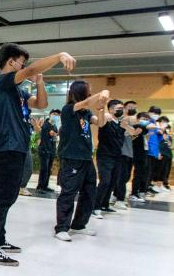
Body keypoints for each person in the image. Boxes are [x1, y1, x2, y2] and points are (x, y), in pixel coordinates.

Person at [0, 44, 76, 266]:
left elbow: (41, 103)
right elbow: (30, 71)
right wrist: (60, 55)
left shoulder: (19, 93)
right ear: (11, 62)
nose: (23, 66)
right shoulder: (2, 82)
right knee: (1, 198)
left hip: (18, 147)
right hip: (6, 147)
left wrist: (40, 82)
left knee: (9, 196)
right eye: (21, 61)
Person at [54, 82, 108, 241]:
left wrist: (101, 108)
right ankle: (61, 228)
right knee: (68, 193)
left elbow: (101, 123)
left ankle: (79, 225)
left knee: (89, 193)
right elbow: (84, 102)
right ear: (80, 92)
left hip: (86, 159)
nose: (90, 92)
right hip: (72, 158)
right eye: (88, 90)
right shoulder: (69, 109)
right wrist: (102, 93)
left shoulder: (86, 113)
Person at [94, 99, 131, 216]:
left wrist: (124, 128)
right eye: (118, 109)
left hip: (117, 157)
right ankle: (95, 207)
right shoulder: (106, 120)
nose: (121, 111)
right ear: (110, 110)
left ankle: (105, 205)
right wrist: (104, 113)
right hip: (105, 156)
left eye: (122, 109)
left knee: (113, 182)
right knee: (105, 181)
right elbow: (101, 119)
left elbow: (121, 140)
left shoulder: (120, 124)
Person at [127, 102, 156, 202]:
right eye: (143, 119)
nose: (146, 121)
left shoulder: (144, 128)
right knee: (133, 174)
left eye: (147, 120)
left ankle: (139, 192)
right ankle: (133, 193)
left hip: (143, 152)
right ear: (138, 119)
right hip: (134, 153)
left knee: (142, 173)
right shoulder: (135, 127)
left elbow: (153, 126)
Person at [36, 109, 59, 194]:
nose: (56, 116)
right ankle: (40, 187)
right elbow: (41, 132)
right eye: (54, 114)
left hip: (51, 150)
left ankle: (45, 186)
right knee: (44, 169)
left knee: (48, 169)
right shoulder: (45, 124)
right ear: (50, 115)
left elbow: (55, 136)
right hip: (44, 150)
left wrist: (56, 135)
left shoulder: (55, 126)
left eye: (57, 115)